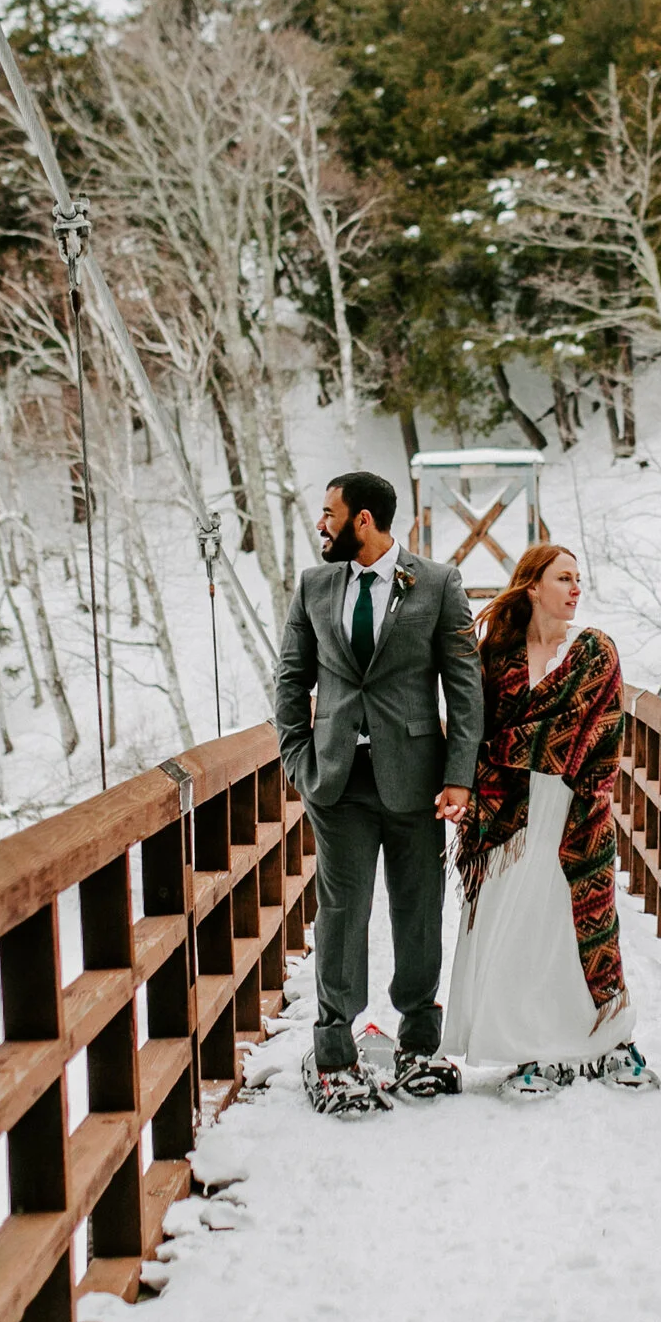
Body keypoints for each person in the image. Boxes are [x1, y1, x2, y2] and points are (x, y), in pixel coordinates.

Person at [272, 471, 481, 1116]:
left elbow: (464, 686)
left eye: (328, 513)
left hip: (416, 779)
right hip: (335, 781)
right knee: (342, 912)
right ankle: (334, 1050)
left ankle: (420, 1043)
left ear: (364, 520)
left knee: (416, 910)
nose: (321, 525)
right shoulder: (313, 585)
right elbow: (289, 678)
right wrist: (298, 760)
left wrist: (458, 775)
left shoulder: (438, 584)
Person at [443, 544, 656, 1097]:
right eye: (564, 578)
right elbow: (470, 727)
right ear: (533, 586)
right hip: (509, 817)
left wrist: (498, 746)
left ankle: (608, 1038)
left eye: (578, 579)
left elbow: (586, 739)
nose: (575, 588)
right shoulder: (495, 657)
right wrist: (484, 755)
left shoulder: (595, 654)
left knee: (576, 928)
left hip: (574, 810)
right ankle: (531, 1050)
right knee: (516, 929)